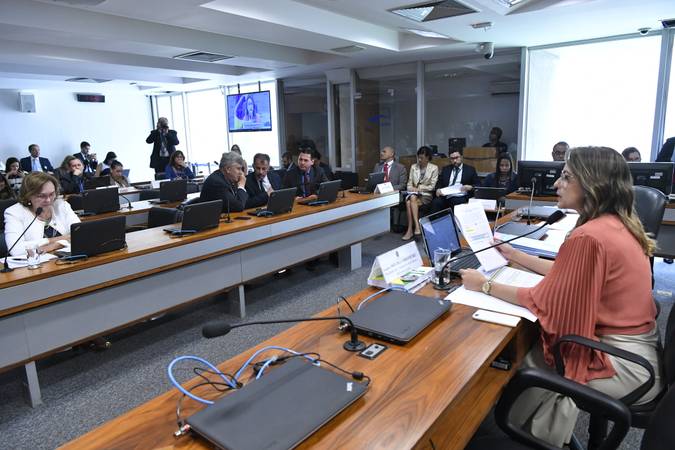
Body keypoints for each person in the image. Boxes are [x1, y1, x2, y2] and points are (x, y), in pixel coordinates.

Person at [460, 147, 662, 447]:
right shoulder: (615, 223)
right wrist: (516, 255)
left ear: (593, 184)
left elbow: (546, 302)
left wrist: (484, 285)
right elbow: (567, 272)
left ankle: (518, 437)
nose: (557, 183)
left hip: (624, 364)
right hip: (640, 354)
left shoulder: (590, 236)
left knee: (524, 362)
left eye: (567, 177)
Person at [4, 172, 79, 256]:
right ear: (28, 195)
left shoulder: (61, 205)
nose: (48, 200)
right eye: (41, 196)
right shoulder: (14, 212)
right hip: (36, 263)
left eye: (51, 194)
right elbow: (15, 250)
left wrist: (55, 245)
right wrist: (52, 240)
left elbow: (79, 233)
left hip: (67, 259)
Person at [402, 146, 438, 240]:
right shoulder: (414, 167)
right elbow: (409, 183)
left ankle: (410, 230)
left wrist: (419, 189)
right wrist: (412, 189)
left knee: (409, 202)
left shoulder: (434, 168)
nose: (419, 160)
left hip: (426, 195)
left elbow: (432, 186)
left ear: (428, 158)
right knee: (412, 198)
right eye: (418, 157)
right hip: (413, 194)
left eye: (422, 158)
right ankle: (417, 227)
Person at [430, 148, 479, 214]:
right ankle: (435, 221)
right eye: (452, 159)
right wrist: (438, 189)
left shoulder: (470, 170)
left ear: (461, 157)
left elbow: (478, 184)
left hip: (460, 196)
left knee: (456, 201)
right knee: (436, 202)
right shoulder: (446, 169)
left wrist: (470, 187)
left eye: (456, 158)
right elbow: (439, 183)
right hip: (446, 195)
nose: (455, 160)